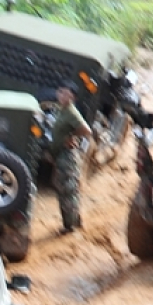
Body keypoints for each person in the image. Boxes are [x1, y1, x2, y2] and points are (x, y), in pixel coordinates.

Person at [50, 81, 92, 234]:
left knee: (68, 190)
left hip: (68, 156)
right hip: (59, 155)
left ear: (72, 97)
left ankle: (70, 226)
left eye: (65, 93)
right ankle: (74, 220)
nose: (61, 95)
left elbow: (86, 130)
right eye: (60, 92)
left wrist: (71, 136)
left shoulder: (71, 112)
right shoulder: (60, 110)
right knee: (63, 189)